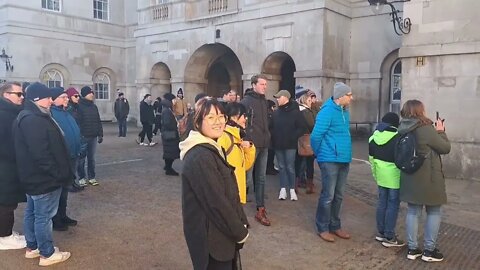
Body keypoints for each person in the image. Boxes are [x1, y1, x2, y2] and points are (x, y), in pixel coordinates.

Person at [179, 97, 249, 270]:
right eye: (210, 117)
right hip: (211, 239)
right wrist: (240, 232)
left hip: (220, 235)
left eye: (221, 117)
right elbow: (216, 201)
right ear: (198, 122)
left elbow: (229, 191)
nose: (218, 122)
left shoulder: (212, 147)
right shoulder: (200, 155)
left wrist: (242, 220)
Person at [13, 82, 71, 266]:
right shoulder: (33, 119)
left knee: (33, 213)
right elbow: (41, 154)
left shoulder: (30, 115)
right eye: (47, 98)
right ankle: (46, 253)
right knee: (43, 216)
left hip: (34, 177)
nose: (50, 101)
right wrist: (57, 174)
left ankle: (33, 247)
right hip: (43, 178)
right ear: (37, 99)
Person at [397, 100, 450, 262]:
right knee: (433, 211)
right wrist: (441, 131)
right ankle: (429, 250)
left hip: (410, 176)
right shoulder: (425, 128)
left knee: (413, 211)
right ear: (420, 111)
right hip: (429, 178)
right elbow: (445, 148)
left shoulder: (402, 128)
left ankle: (412, 249)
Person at [311, 82, 354, 242]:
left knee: (339, 195)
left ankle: (335, 225)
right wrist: (319, 153)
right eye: (349, 95)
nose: (351, 98)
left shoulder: (345, 111)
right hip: (329, 159)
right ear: (341, 96)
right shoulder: (327, 111)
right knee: (328, 195)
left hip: (343, 158)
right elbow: (316, 136)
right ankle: (323, 227)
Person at [368, 112, 405, 247]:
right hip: (394, 177)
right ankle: (390, 236)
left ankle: (381, 232)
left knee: (382, 203)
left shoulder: (373, 137)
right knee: (393, 205)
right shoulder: (398, 138)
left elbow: (371, 160)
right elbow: (401, 160)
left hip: (380, 176)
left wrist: (376, 175)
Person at [240, 74, 271, 226]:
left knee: (261, 178)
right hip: (251, 145)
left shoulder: (264, 101)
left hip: (264, 144)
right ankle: (238, 210)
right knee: (246, 177)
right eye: (262, 84)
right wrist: (245, 138)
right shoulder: (246, 101)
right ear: (253, 85)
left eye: (266, 84)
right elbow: (239, 122)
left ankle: (261, 208)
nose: (265, 86)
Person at [50, 88, 81, 231]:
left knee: (66, 189)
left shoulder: (66, 112)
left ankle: (63, 215)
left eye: (66, 97)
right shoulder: (52, 114)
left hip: (72, 156)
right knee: (58, 190)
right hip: (62, 157)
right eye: (63, 97)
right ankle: (55, 218)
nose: (66, 99)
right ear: (54, 99)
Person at [0, 82, 26, 250]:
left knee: (8, 201)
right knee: (6, 202)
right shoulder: (4, 115)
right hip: (5, 165)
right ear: (6, 95)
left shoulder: (10, 112)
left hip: (9, 164)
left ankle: (6, 232)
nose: (22, 97)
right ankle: (4, 236)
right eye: (18, 94)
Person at [218, 102, 256, 204]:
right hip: (228, 196)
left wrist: (250, 148)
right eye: (244, 115)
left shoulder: (237, 137)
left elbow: (245, 166)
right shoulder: (225, 137)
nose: (246, 119)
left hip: (235, 194)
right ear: (235, 116)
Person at [272, 90, 306, 201]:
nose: (277, 99)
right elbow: (271, 127)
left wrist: (293, 136)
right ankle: (282, 189)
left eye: (279, 97)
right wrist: (274, 137)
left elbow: (302, 127)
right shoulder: (276, 113)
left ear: (286, 97)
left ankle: (292, 189)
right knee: (281, 167)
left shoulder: (295, 113)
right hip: (278, 144)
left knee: (290, 167)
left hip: (290, 144)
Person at [77, 86, 103, 187]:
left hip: (93, 136)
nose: (92, 94)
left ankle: (92, 177)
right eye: (89, 93)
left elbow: (98, 121)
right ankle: (81, 177)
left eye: (92, 92)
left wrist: (100, 134)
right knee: (81, 158)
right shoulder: (79, 106)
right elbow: (78, 122)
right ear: (84, 94)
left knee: (91, 158)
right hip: (83, 136)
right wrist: (80, 135)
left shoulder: (94, 106)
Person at [296, 89, 317, 194]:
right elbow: (312, 125)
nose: (311, 100)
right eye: (309, 99)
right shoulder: (305, 111)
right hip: (306, 139)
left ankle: (299, 183)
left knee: (301, 162)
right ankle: (307, 184)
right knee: (307, 163)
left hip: (302, 139)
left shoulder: (303, 110)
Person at [161, 93, 180, 176]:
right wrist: (176, 126)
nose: (175, 101)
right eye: (174, 99)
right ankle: (168, 168)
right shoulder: (166, 110)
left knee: (169, 151)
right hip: (170, 134)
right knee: (171, 152)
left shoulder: (168, 109)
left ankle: (167, 166)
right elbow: (167, 123)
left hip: (169, 133)